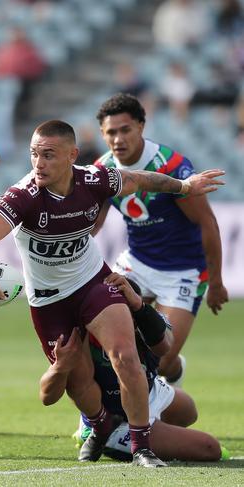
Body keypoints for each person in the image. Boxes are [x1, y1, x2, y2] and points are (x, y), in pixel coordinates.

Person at [0, 120, 224, 467]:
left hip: (92, 281)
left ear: (72, 156)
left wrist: (184, 186)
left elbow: (142, 179)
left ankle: (141, 447)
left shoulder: (95, 179)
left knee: (125, 354)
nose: (38, 163)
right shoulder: (24, 195)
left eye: (48, 155)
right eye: (33, 154)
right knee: (74, 374)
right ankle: (100, 426)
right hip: (48, 299)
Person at [93, 93, 229, 387]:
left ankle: (175, 370)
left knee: (162, 360)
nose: (118, 139)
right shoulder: (102, 170)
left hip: (183, 272)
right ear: (103, 135)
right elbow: (92, 226)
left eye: (125, 129)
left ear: (141, 126)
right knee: (106, 342)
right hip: (136, 263)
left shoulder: (171, 166)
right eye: (111, 132)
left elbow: (207, 222)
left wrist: (215, 282)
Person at [39, 273, 223, 462]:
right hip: (113, 414)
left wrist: (139, 306)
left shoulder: (148, 317)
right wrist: (59, 368)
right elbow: (47, 396)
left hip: (149, 392)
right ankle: (104, 432)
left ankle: (158, 432)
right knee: (210, 448)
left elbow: (165, 347)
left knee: (188, 410)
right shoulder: (84, 333)